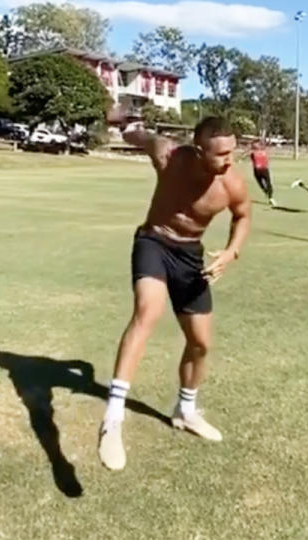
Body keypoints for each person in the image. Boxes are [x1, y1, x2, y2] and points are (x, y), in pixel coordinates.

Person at [98, 112, 252, 471]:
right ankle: (113, 419)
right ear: (199, 150)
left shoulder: (232, 183)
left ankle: (185, 411)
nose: (229, 160)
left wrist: (231, 251)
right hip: (153, 241)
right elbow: (140, 136)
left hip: (190, 255)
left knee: (200, 343)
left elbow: (242, 215)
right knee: (147, 313)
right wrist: (125, 126)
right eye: (221, 154)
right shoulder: (168, 155)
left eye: (233, 152)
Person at [248, 140, 277, 207]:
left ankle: (271, 198)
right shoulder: (253, 153)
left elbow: (266, 148)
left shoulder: (263, 151)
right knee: (261, 185)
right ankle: (268, 194)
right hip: (257, 170)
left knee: (268, 184)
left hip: (264, 169)